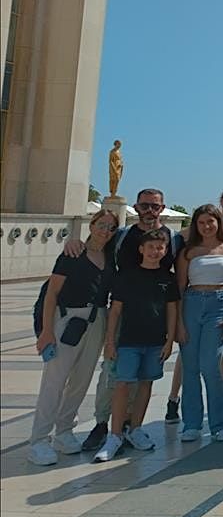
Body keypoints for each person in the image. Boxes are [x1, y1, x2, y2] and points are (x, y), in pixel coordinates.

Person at [61, 188, 183, 451]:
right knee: (112, 372)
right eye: (145, 206)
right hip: (122, 312)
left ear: (162, 209)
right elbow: (96, 246)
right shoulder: (122, 236)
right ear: (136, 208)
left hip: (153, 316)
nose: (150, 211)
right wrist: (74, 242)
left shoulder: (172, 240)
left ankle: (130, 424)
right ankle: (103, 423)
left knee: (143, 377)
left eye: (155, 206)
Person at [28, 210, 117, 465]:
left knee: (81, 379)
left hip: (97, 319)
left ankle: (64, 431)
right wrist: (46, 331)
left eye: (111, 228)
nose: (105, 231)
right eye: (102, 225)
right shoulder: (72, 254)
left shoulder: (110, 258)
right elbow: (51, 294)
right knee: (55, 381)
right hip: (67, 319)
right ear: (91, 225)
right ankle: (39, 439)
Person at [93, 228, 179, 461]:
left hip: (155, 341)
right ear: (141, 249)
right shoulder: (127, 275)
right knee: (122, 385)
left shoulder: (168, 278)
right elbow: (116, 310)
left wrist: (170, 340)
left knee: (146, 384)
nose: (155, 251)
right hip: (129, 340)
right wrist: (110, 341)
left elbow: (172, 310)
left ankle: (136, 428)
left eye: (159, 248)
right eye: (150, 247)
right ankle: (115, 434)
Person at [176, 204, 223, 443]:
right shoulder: (188, 252)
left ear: (218, 223)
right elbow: (180, 288)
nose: (206, 226)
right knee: (190, 367)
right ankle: (191, 423)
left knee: (211, 366)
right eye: (201, 222)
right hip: (192, 304)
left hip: (220, 304)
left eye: (210, 222)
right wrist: (179, 323)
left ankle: (220, 421)